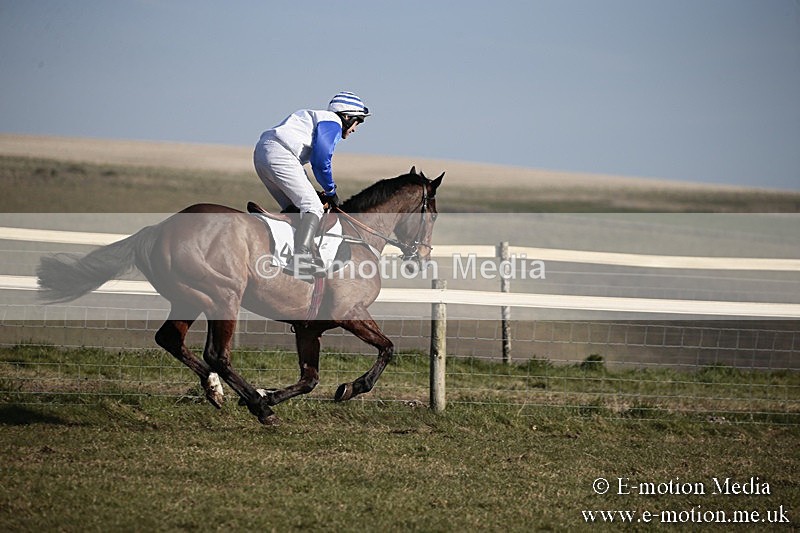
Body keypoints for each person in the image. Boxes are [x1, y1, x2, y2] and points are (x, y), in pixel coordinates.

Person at [254, 91, 370, 276]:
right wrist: (330, 190)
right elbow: (321, 160)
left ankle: (284, 253)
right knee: (313, 206)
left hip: (263, 153)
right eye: (358, 121)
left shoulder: (318, 118)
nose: (355, 128)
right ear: (347, 117)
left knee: (296, 209)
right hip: (280, 154)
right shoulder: (333, 121)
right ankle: (302, 257)